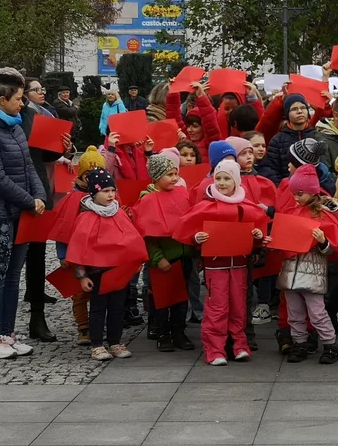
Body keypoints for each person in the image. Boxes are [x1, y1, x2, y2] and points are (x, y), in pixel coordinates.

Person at [0, 72, 47, 360]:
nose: (22, 104)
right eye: (17, 99)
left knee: (13, 275)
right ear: (2, 99)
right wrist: (30, 201)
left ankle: (8, 333)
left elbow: (29, 166)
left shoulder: (14, 126)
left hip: (20, 212)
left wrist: (39, 197)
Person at [176, 160, 269, 365]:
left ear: (236, 181)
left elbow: (259, 229)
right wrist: (196, 237)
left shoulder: (246, 206)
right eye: (218, 178)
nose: (221, 182)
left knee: (238, 306)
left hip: (239, 265)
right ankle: (214, 349)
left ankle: (239, 345)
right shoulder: (205, 206)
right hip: (215, 265)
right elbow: (188, 229)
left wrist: (257, 235)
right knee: (217, 307)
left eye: (227, 178)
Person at [67, 168, 148, 361]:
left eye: (112, 190)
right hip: (97, 273)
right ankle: (97, 344)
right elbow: (79, 248)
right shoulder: (86, 217)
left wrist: (136, 262)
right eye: (105, 191)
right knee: (98, 307)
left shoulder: (118, 213)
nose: (111, 194)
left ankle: (115, 342)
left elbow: (131, 239)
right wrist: (82, 275)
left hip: (118, 272)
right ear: (94, 193)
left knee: (117, 307)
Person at [21, 76, 72, 343]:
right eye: (31, 91)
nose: (24, 99)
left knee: (38, 253)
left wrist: (61, 146)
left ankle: (37, 317)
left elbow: (46, 155)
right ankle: (2, 327)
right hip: (15, 195)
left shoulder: (35, 116)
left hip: (38, 192)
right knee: (10, 263)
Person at [278, 164, 338, 364]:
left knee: (317, 312)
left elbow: (333, 247)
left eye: (299, 193)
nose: (296, 197)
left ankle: (329, 344)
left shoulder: (323, 215)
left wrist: (323, 241)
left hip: (312, 271)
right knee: (295, 313)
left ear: (312, 192)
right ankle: (300, 343)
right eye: (294, 193)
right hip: (291, 272)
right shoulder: (292, 212)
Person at [134, 154, 195, 352]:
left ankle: (178, 331)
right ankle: (162, 332)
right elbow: (147, 235)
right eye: (169, 174)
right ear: (156, 176)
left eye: (176, 173)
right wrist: (158, 258)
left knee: (181, 299)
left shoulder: (180, 194)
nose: (174, 178)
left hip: (182, 256)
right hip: (162, 260)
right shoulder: (148, 200)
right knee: (162, 299)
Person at [49, 145, 108, 346]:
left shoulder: (104, 197)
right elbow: (62, 229)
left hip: (98, 254)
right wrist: (63, 254)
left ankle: (98, 324)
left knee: (99, 292)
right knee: (80, 293)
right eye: (88, 174)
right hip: (77, 254)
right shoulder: (71, 199)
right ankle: (83, 327)